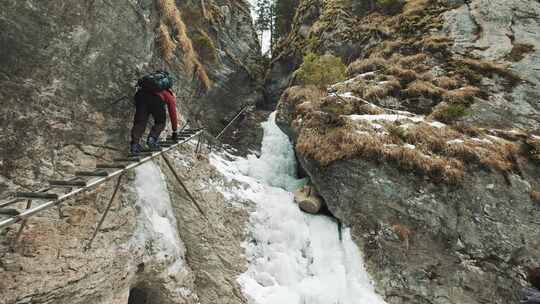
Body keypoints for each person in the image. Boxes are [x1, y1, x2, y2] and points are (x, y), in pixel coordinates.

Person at [130, 84, 179, 154]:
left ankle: (134, 145)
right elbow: (173, 113)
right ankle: (152, 139)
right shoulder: (167, 94)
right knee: (160, 122)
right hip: (156, 100)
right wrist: (175, 131)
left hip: (141, 96)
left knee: (139, 123)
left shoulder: (147, 86)